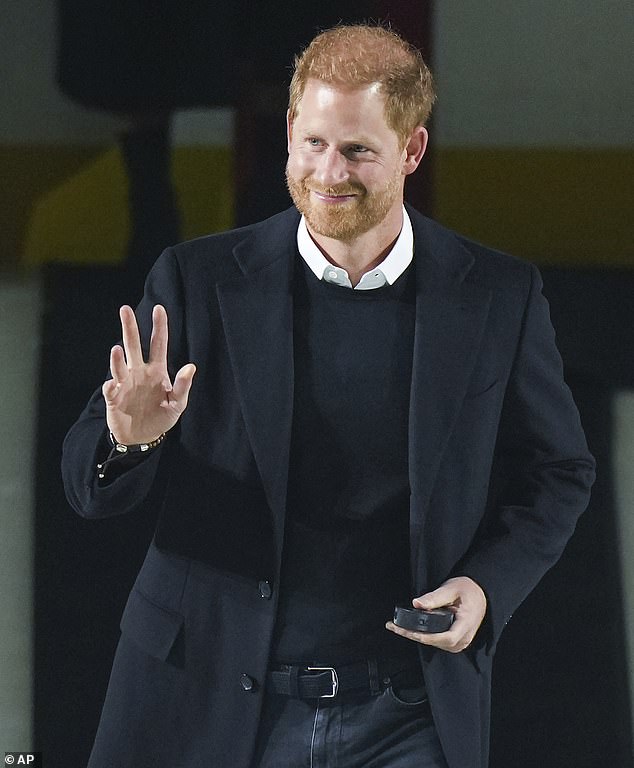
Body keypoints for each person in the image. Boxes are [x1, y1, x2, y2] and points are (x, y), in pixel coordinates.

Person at [61, 24, 595, 768]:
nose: (327, 172)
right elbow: (90, 490)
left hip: (407, 712)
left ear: (411, 151)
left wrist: (486, 587)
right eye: (312, 143)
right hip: (207, 698)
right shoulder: (198, 280)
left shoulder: (497, 296)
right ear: (288, 131)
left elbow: (559, 471)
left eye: (356, 150)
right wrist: (132, 439)